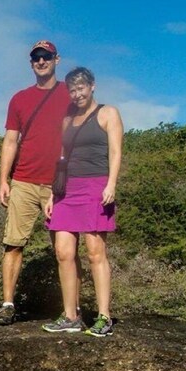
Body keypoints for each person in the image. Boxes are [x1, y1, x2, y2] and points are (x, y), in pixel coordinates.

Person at [0, 40, 72, 325]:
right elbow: (11, 140)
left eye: (46, 56)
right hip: (24, 180)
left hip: (59, 183)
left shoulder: (69, 93)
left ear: (56, 59)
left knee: (65, 249)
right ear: (31, 63)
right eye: (36, 57)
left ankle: (69, 311)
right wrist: (4, 180)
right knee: (13, 244)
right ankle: (7, 304)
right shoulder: (19, 99)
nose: (41, 61)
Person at [42, 67, 123, 336]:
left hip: (96, 185)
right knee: (63, 252)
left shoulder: (108, 113)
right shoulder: (68, 120)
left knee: (94, 252)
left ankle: (104, 317)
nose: (77, 94)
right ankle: (70, 316)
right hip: (68, 189)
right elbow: (62, 160)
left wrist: (111, 184)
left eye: (81, 88)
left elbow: (115, 151)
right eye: (73, 90)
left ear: (92, 87)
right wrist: (54, 193)